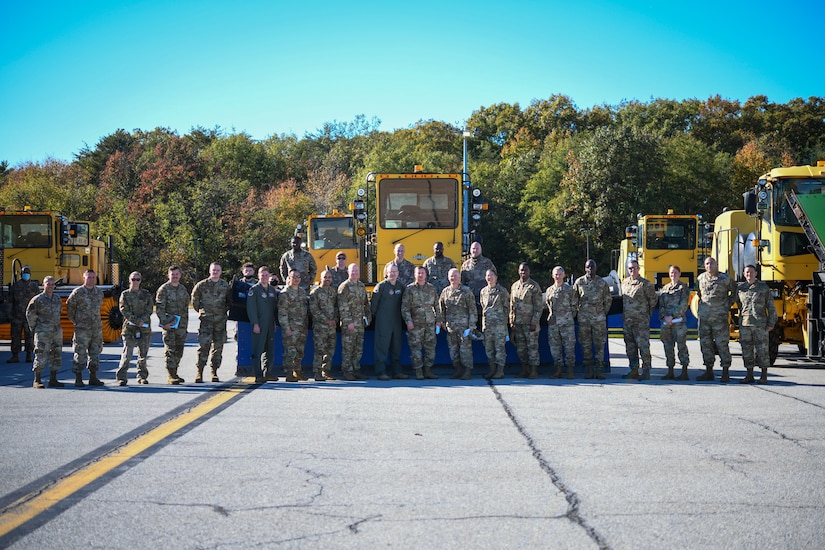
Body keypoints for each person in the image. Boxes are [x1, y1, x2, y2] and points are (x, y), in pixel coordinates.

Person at [696, 256, 737, 382]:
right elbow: (699, 294)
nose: (709, 266)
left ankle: (725, 371)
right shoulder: (700, 278)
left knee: (721, 343)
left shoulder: (725, 278)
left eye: (711, 263)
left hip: (719, 317)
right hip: (704, 318)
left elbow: (735, 292)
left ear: (717, 264)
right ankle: (709, 370)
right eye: (707, 264)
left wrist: (726, 305)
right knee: (705, 343)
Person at [736, 265, 778, 384]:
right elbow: (739, 304)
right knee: (747, 349)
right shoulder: (740, 288)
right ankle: (749, 375)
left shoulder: (763, 288)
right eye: (747, 272)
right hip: (745, 324)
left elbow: (770, 306)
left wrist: (771, 322)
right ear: (744, 274)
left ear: (756, 273)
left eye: (751, 272)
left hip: (760, 324)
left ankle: (764, 375)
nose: (749, 274)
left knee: (762, 350)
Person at [191, 262, 231, 383]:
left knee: (218, 348)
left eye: (218, 270)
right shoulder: (201, 285)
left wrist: (222, 312)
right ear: (209, 271)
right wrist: (202, 312)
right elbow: (195, 300)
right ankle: (200, 372)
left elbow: (229, 302)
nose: (215, 272)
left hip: (220, 321)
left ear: (221, 272)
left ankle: (214, 371)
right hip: (206, 321)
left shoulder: (225, 286)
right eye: (213, 270)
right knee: (204, 347)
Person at [573, 259, 613, 380]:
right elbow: (574, 300)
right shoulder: (579, 282)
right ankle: (589, 369)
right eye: (588, 267)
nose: (590, 269)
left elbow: (608, 300)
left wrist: (601, 312)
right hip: (584, 320)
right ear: (585, 269)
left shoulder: (602, 283)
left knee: (599, 344)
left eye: (592, 267)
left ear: (596, 268)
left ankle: (599, 370)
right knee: (585, 345)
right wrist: (578, 313)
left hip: (598, 319)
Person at [66, 269, 105, 387]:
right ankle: (78, 378)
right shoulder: (78, 292)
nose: (91, 279)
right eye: (89, 277)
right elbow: (70, 308)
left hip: (96, 329)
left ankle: (93, 377)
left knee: (95, 353)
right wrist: (77, 321)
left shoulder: (99, 292)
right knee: (80, 353)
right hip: (82, 329)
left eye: (93, 277)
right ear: (84, 278)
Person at [621, 260, 658, 381]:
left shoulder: (645, 284)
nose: (632, 270)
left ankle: (646, 370)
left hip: (641, 321)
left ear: (639, 268)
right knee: (630, 347)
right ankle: (634, 370)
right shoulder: (624, 283)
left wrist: (645, 314)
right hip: (627, 321)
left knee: (643, 346)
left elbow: (653, 301)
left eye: (635, 268)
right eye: (630, 268)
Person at [401, 266, 439, 380]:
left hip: (430, 323)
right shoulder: (409, 289)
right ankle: (418, 371)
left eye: (422, 273)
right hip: (415, 324)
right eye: (419, 273)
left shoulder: (431, 288)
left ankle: (427, 370)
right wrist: (409, 321)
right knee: (415, 349)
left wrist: (439, 321)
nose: (421, 275)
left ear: (426, 275)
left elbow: (437, 306)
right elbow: (405, 308)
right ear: (415, 275)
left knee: (430, 348)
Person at [371, 263, 408, 380]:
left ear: (398, 273)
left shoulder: (401, 287)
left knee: (396, 346)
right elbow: (373, 305)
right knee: (382, 346)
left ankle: (397, 371)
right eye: (390, 272)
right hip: (383, 321)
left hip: (396, 321)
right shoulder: (381, 287)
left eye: (395, 272)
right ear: (386, 273)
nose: (392, 274)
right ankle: (380, 371)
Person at [439, 268, 477, 380]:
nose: (453, 277)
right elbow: (441, 308)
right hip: (451, 327)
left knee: (465, 350)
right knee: (453, 351)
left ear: (459, 277)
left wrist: (472, 325)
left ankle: (468, 371)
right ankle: (458, 370)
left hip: (464, 327)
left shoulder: (466, 291)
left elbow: (472, 309)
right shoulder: (445, 291)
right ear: (448, 277)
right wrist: (442, 322)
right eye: (451, 276)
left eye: (455, 275)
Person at [26, 276, 63, 389]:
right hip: (42, 332)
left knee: (56, 355)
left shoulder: (57, 299)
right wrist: (36, 328)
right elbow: (30, 314)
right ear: (43, 285)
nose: (50, 286)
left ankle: (53, 379)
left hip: (56, 331)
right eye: (48, 284)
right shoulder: (37, 300)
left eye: (52, 284)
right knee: (41, 354)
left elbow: (59, 313)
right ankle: (37, 380)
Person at [116, 271, 153, 385]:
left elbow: (149, 309)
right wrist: (136, 321)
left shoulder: (146, 294)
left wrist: (142, 320)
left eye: (138, 279)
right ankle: (121, 377)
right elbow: (123, 310)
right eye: (133, 279)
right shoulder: (125, 295)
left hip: (144, 328)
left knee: (143, 355)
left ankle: (142, 376)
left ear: (140, 281)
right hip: (129, 328)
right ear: (129, 280)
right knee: (127, 354)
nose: (135, 282)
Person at [156, 265, 190, 385]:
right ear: (168, 275)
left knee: (179, 350)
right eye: (172, 274)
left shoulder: (182, 289)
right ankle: (170, 375)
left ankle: (175, 372)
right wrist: (164, 324)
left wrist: (185, 325)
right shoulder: (163, 289)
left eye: (177, 274)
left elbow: (186, 307)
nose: (175, 276)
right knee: (170, 350)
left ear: (180, 275)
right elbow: (160, 308)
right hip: (169, 325)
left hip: (181, 326)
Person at [338, 263, 371, 381]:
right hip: (350, 324)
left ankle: (356, 369)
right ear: (348, 272)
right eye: (353, 271)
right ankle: (347, 371)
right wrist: (348, 321)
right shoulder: (344, 287)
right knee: (348, 348)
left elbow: (365, 304)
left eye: (357, 271)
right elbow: (342, 306)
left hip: (360, 323)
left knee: (358, 349)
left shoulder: (361, 286)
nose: (355, 273)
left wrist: (368, 317)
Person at [510, 263, 543, 379]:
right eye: (521, 270)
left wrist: (534, 322)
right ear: (518, 271)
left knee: (532, 348)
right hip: (518, 324)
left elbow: (539, 307)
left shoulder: (534, 286)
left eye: (525, 270)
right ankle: (525, 370)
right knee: (521, 349)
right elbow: (512, 305)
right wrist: (512, 321)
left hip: (530, 324)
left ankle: (534, 371)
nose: (523, 272)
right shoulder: (514, 286)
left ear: (529, 272)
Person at [658, 265, 691, 380]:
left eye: (675, 272)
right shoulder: (665, 288)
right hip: (667, 323)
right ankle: (670, 371)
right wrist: (665, 317)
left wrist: (672, 316)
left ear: (680, 274)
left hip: (679, 322)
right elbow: (661, 305)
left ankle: (684, 371)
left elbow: (683, 304)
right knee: (668, 346)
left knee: (681, 346)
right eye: (671, 272)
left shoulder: (683, 288)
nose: (673, 274)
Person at [247, 266, 279, 384]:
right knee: (258, 349)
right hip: (259, 325)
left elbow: (274, 309)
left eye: (266, 275)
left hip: (270, 325)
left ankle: (268, 372)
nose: (264, 277)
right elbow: (251, 309)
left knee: (269, 350)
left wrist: (275, 323)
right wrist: (255, 323)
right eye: (262, 275)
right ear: (258, 276)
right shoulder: (254, 290)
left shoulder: (272, 290)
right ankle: (258, 374)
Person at [545, 266, 577, 379]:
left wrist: (567, 316)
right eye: (556, 274)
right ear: (553, 276)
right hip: (553, 324)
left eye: (560, 274)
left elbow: (574, 306)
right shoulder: (549, 290)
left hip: (566, 323)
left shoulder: (569, 290)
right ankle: (558, 370)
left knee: (569, 347)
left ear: (564, 275)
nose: (557, 276)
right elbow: (548, 305)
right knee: (555, 348)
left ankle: (570, 370)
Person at [279, 269, 309, 382]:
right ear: (289, 278)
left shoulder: (302, 292)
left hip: (301, 328)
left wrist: (305, 326)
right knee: (290, 351)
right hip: (290, 328)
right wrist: (286, 328)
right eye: (293, 276)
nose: (296, 279)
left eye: (298, 277)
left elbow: (305, 311)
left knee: (299, 351)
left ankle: (297, 371)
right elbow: (282, 313)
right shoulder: (285, 293)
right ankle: (289, 373)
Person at [480, 269, 509, 380]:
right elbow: (483, 307)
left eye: (491, 275)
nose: (489, 277)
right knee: (489, 349)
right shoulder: (483, 291)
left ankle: (500, 371)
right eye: (487, 275)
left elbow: (507, 307)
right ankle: (492, 370)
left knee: (499, 348)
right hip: (487, 325)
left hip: (499, 326)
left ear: (496, 277)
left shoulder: (502, 291)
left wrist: (503, 321)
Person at [309, 269, 338, 381]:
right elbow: (314, 310)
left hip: (332, 327)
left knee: (330, 349)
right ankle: (317, 372)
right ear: (320, 278)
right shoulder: (315, 293)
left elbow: (336, 307)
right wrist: (326, 320)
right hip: (320, 327)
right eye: (325, 277)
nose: (327, 279)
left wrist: (334, 319)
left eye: (329, 277)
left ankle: (325, 371)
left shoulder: (333, 292)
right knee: (319, 350)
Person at [7, 265, 39, 363]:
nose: (26, 274)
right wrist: (9, 314)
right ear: (21, 274)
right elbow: (10, 301)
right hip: (17, 315)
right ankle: (15, 355)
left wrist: (37, 314)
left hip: (30, 316)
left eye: (27, 273)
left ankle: (29, 355)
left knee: (29, 336)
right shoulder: (16, 286)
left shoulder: (34, 286)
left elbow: (38, 300)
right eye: (24, 273)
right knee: (15, 336)